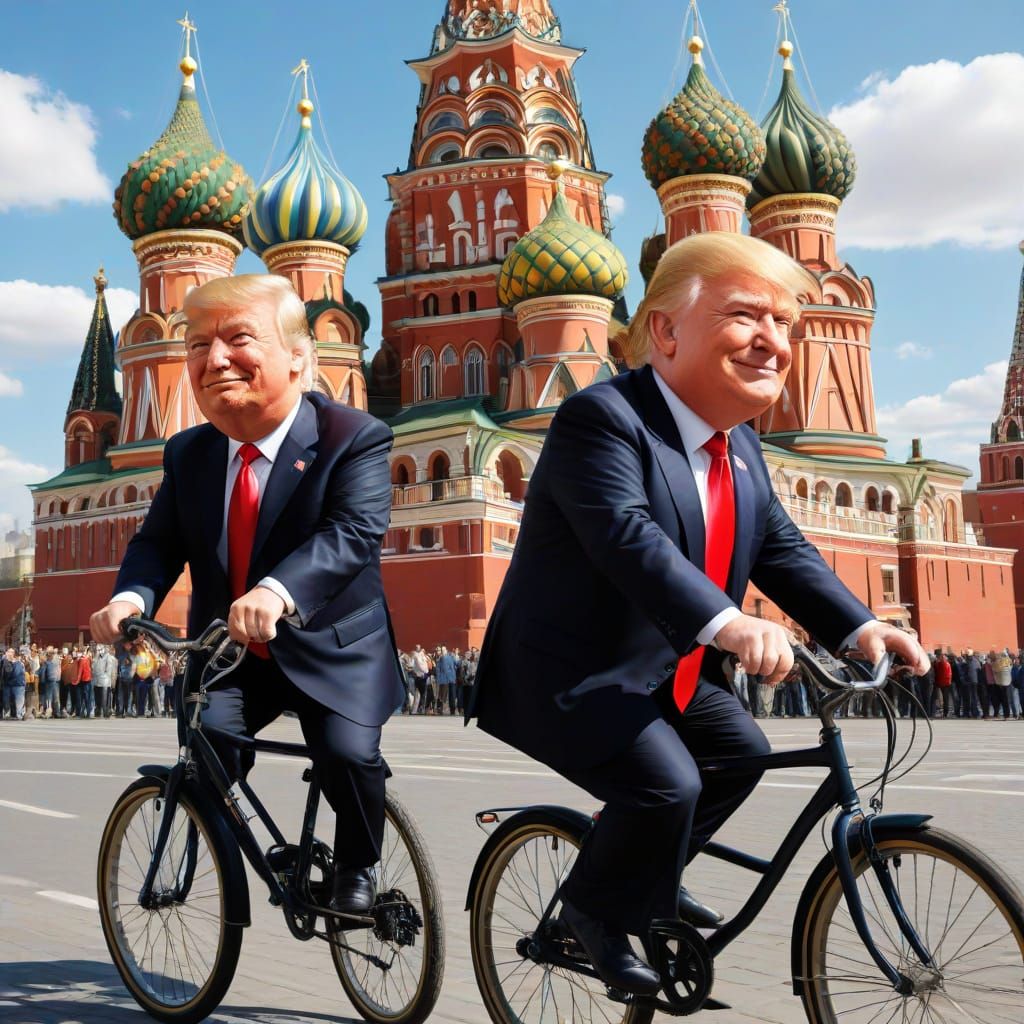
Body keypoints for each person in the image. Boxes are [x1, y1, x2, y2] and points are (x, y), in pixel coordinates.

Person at [467, 232, 928, 995]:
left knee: (739, 752)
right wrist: (728, 622)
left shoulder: (739, 444)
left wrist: (859, 625)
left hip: (661, 671)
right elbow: (625, 537)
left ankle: (647, 874)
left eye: (786, 324)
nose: (774, 342)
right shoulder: (602, 418)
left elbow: (781, 547)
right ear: (667, 331)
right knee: (666, 785)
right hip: (573, 671)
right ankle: (591, 909)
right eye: (747, 316)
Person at [90, 274, 404, 915]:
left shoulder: (353, 436)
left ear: (299, 357)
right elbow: (158, 543)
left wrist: (278, 590)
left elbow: (351, 534)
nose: (215, 359)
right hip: (229, 653)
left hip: (330, 646)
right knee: (207, 755)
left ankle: (358, 863)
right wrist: (131, 599)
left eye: (238, 338)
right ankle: (263, 861)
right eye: (199, 345)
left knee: (348, 756)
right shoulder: (189, 453)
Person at [1, 647, 27, 720]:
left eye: (11, 652)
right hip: (7, 685)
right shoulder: (4, 662)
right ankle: (7, 713)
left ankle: (20, 715)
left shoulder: (18, 663)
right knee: (6, 700)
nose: (9, 653)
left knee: (19, 701)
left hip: (18, 685)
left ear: (14, 654)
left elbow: (15, 674)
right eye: (8, 651)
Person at [92, 644, 117, 718]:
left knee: (105, 699)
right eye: (97, 649)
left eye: (99, 649)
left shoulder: (108, 657)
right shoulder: (96, 657)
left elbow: (108, 670)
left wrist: (104, 677)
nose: (98, 651)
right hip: (96, 681)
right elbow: (93, 668)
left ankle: (106, 712)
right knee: (97, 698)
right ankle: (98, 711)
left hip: (105, 682)